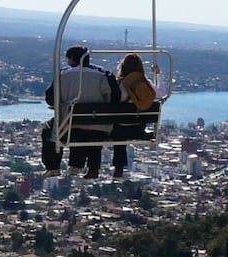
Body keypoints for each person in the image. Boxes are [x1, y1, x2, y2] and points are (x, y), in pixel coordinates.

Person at [41, 45, 119, 179]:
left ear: (72, 58)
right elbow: (114, 98)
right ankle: (76, 165)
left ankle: (53, 166)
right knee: (85, 127)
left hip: (70, 125)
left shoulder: (64, 74)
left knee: (49, 128)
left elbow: (50, 98)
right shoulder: (104, 74)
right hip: (99, 126)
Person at [111, 53, 168, 178]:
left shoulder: (118, 85)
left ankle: (119, 165)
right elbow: (161, 94)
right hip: (138, 128)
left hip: (120, 128)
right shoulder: (144, 86)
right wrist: (158, 74)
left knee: (119, 132)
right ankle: (119, 166)